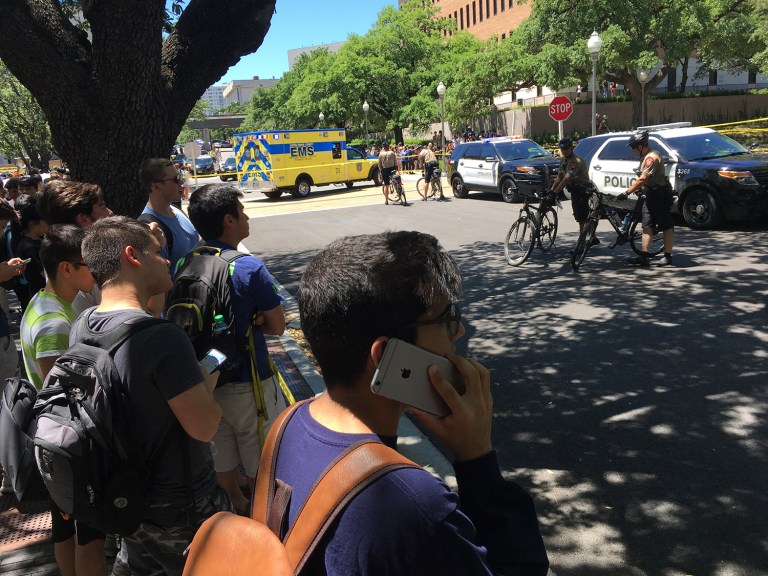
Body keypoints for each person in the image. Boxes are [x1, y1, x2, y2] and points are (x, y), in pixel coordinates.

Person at [266, 231, 549, 576]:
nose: (458, 333)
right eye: (447, 318)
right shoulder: (414, 508)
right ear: (387, 357)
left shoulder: (285, 427)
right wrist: (478, 460)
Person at [71, 216, 230, 576]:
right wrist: (206, 378)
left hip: (127, 500)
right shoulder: (160, 337)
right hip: (181, 507)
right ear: (133, 256)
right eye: (158, 253)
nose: (167, 260)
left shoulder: (83, 325)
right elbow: (205, 426)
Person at [186, 184, 286, 515]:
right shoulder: (247, 267)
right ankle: (264, 526)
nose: (247, 217)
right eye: (242, 212)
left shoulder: (186, 263)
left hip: (204, 381)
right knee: (264, 466)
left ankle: (233, 517)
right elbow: (277, 326)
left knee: (223, 464)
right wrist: (256, 319)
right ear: (229, 220)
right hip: (250, 383)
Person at [19, 225, 105, 576]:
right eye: (88, 264)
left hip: (56, 441)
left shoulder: (43, 303)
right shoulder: (55, 323)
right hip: (69, 445)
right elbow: (66, 394)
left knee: (64, 524)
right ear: (66, 268)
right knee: (89, 535)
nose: (95, 272)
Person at [35, 180, 114, 315]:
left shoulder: (57, 254)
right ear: (83, 219)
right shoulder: (88, 265)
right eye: (102, 207)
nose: (110, 213)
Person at [620, 130, 675, 267]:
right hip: (650, 196)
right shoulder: (645, 157)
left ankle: (667, 256)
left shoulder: (652, 157)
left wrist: (627, 192)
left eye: (634, 148)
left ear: (640, 146)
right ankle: (644, 256)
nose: (633, 151)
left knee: (667, 227)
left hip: (660, 196)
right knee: (646, 227)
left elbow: (643, 178)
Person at [139, 158, 200, 273]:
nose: (181, 183)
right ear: (156, 187)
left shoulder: (176, 210)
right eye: (176, 179)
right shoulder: (150, 227)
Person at [550, 137, 596, 245]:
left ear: (571, 148)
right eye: (562, 149)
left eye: (566, 149)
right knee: (579, 216)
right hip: (574, 190)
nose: (564, 151)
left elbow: (567, 178)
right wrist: (551, 190)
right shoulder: (564, 160)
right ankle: (592, 236)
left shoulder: (575, 161)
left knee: (581, 218)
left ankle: (581, 245)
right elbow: (559, 177)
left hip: (582, 190)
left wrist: (556, 192)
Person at [12, 194, 49, 312]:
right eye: (45, 220)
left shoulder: (37, 240)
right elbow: (46, 274)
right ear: (33, 223)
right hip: (42, 296)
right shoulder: (28, 247)